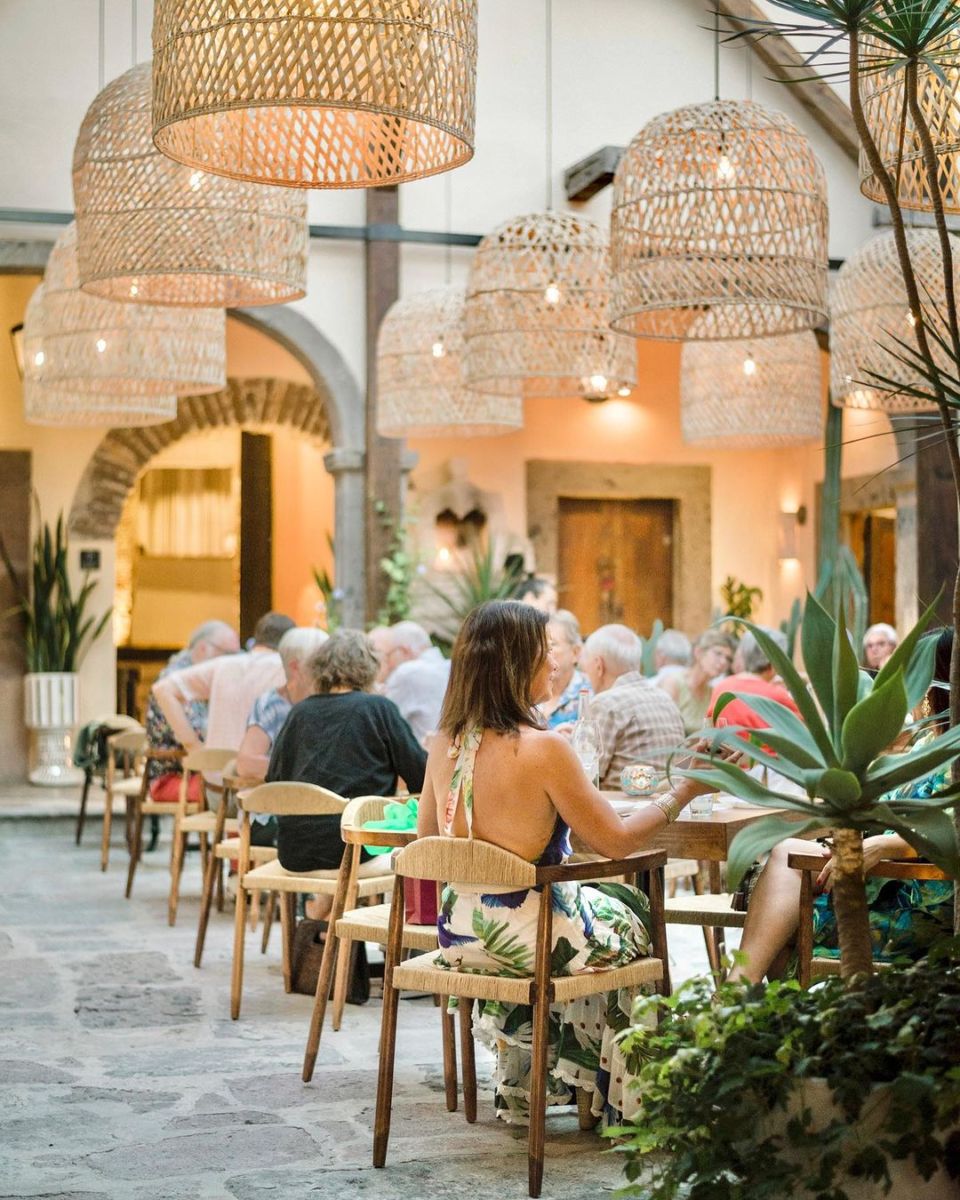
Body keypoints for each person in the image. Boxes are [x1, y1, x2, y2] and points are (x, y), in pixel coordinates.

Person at [416, 599, 716, 1126]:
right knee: (636, 919)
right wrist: (685, 790)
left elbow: (425, 841)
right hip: (532, 942)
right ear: (514, 664)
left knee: (593, 910)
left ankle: (537, 1083)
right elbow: (618, 843)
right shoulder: (545, 749)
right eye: (543, 651)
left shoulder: (444, 742)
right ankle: (626, 1099)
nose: (554, 663)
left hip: (461, 938)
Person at [729, 628, 955, 984]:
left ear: (939, 680)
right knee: (785, 858)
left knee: (782, 917)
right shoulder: (929, 736)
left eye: (916, 673)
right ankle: (743, 996)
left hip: (920, 898)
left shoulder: (950, 746)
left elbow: (950, 828)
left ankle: (738, 997)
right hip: (884, 880)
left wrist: (884, 844)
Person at [266, 628, 427, 880]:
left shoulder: (299, 712)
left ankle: (321, 915)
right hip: (356, 847)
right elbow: (422, 777)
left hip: (293, 853)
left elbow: (274, 781)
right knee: (410, 832)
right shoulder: (378, 708)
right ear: (370, 667)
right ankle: (339, 916)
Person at [236, 626, 329, 846]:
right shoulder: (272, 704)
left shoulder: (331, 701)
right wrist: (301, 772)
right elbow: (246, 764)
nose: (328, 671)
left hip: (319, 811)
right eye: (320, 664)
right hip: (273, 815)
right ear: (296, 667)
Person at [152, 612, 294, 755]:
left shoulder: (224, 664)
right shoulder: (289, 669)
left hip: (216, 770)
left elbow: (163, 689)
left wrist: (193, 746)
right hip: (263, 773)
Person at [145, 620, 240, 806]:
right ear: (203, 648)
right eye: (229, 654)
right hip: (172, 777)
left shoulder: (203, 677)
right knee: (238, 793)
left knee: (246, 788)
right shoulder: (172, 681)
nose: (233, 662)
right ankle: (238, 836)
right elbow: (197, 734)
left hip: (201, 771)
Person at [578, 624, 685, 786]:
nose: (584, 674)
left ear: (599, 666)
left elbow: (584, 777)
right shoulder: (666, 700)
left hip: (620, 807)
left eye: (584, 667)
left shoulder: (604, 704)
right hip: (667, 806)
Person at [706, 628, 799, 730]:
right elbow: (802, 731)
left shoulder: (721, 687)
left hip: (721, 745)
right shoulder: (779, 695)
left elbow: (710, 724)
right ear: (775, 661)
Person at [379, 620, 451, 745]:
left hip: (424, 758)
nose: (388, 664)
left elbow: (381, 724)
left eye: (388, 655)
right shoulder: (449, 666)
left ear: (404, 650)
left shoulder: (407, 672)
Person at [658, 629, 736, 735]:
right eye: (718, 653)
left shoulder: (713, 693)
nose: (723, 662)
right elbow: (663, 732)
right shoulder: (673, 683)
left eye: (728, 659)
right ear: (698, 652)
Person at [539, 609, 591, 728]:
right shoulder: (528, 690)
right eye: (540, 645)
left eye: (552, 645)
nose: (543, 652)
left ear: (575, 652)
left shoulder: (590, 692)